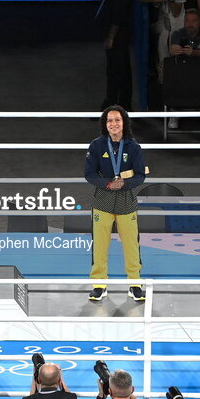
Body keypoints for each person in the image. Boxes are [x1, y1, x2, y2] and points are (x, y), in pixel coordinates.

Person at [84, 106, 147, 302]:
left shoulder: (133, 147)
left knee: (131, 245)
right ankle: (99, 285)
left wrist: (124, 184)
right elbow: (89, 174)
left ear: (124, 123)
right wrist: (108, 184)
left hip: (126, 200)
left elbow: (140, 175)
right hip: (102, 199)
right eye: (109, 120)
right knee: (100, 245)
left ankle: (135, 284)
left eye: (117, 120)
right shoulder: (96, 145)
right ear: (105, 124)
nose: (113, 124)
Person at [98, 0, 134, 109]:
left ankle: (112, 106)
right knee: (118, 70)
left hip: (119, 38)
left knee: (116, 72)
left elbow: (119, 15)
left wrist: (111, 36)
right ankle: (120, 104)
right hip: (116, 37)